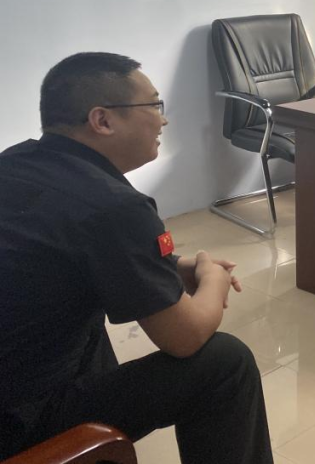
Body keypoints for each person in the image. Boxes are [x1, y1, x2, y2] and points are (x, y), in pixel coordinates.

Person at [0, 53, 273, 463]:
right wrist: (211, 276)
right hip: (19, 422)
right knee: (224, 362)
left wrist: (171, 266)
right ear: (102, 120)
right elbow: (185, 337)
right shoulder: (113, 206)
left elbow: (68, 257)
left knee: (85, 319)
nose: (163, 120)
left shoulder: (16, 162)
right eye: (154, 105)